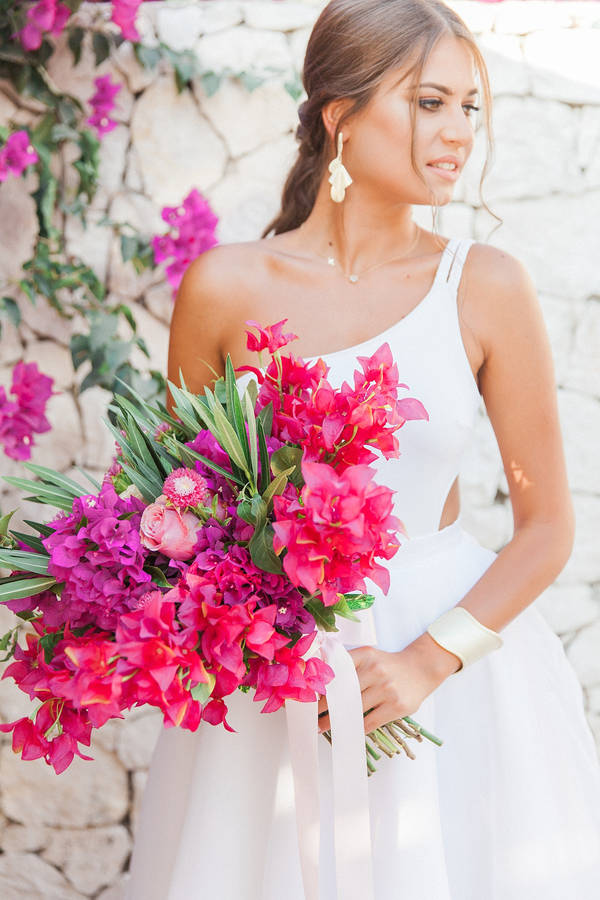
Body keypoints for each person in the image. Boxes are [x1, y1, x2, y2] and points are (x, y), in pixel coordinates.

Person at [125, 1, 600, 897]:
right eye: (429, 103)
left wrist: (428, 661)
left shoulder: (486, 286)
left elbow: (547, 527)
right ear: (340, 114)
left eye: (469, 107)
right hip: (271, 682)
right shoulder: (226, 287)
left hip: (451, 681)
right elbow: (175, 511)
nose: (459, 132)